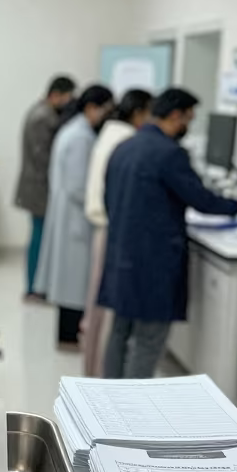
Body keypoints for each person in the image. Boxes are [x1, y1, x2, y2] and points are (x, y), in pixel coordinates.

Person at [99, 87, 237, 379]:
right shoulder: (169, 154)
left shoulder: (124, 147)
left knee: (120, 332)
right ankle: (131, 411)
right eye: (188, 119)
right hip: (152, 263)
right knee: (148, 340)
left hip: (121, 255)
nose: (187, 127)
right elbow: (201, 200)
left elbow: (109, 199)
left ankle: (105, 399)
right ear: (176, 116)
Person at [34, 83, 115, 351]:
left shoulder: (73, 130)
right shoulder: (80, 137)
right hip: (75, 218)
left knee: (69, 278)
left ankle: (68, 333)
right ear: (92, 108)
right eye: (105, 109)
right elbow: (79, 186)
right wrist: (105, 203)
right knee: (73, 280)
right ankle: (68, 337)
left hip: (68, 213)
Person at [82, 87, 153, 377]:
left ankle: (95, 369)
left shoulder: (109, 133)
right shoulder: (126, 139)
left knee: (98, 308)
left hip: (104, 225)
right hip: (113, 228)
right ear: (138, 113)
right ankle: (102, 374)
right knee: (110, 311)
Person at [14, 75, 77, 300]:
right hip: (39, 188)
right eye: (68, 98)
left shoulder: (42, 112)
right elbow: (44, 158)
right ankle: (32, 288)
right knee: (39, 239)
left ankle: (37, 285)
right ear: (55, 95)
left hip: (38, 186)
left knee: (39, 236)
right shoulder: (43, 117)